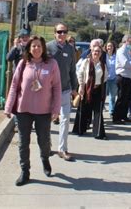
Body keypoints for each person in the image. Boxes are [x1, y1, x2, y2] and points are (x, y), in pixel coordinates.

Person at [4, 35, 61, 186]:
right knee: (23, 142)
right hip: (23, 110)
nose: (36, 49)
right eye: (33, 46)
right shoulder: (23, 64)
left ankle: (45, 158)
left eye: (39, 46)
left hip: (44, 111)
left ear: (43, 49)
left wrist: (56, 109)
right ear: (29, 48)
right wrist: (8, 107)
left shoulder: (52, 64)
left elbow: (57, 88)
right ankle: (25, 171)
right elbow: (14, 86)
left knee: (43, 140)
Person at [46, 22, 78, 162]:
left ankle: (62, 149)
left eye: (64, 31)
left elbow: (72, 70)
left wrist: (75, 88)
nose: (62, 34)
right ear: (55, 33)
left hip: (65, 90)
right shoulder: (48, 47)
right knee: (47, 120)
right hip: (49, 91)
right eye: (59, 32)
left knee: (65, 120)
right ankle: (46, 146)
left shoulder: (71, 49)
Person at [75, 45, 108, 139]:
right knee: (83, 109)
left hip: (97, 89)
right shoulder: (86, 62)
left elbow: (105, 76)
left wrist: (98, 83)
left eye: (98, 51)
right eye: (95, 51)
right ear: (91, 52)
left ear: (101, 54)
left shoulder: (102, 64)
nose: (96, 53)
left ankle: (98, 133)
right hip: (86, 88)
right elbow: (80, 74)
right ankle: (80, 130)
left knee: (98, 111)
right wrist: (81, 86)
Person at [113, 34, 131, 124]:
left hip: (128, 78)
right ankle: (116, 117)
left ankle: (123, 115)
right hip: (122, 77)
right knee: (121, 98)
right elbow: (126, 64)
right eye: (130, 41)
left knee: (127, 98)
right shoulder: (121, 51)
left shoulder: (128, 51)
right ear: (125, 41)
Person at [105, 41, 118, 116]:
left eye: (111, 46)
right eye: (108, 46)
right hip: (105, 79)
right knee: (103, 96)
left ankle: (111, 111)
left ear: (114, 48)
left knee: (112, 96)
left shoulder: (116, 56)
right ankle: (100, 109)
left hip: (113, 79)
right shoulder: (104, 56)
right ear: (106, 47)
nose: (110, 48)